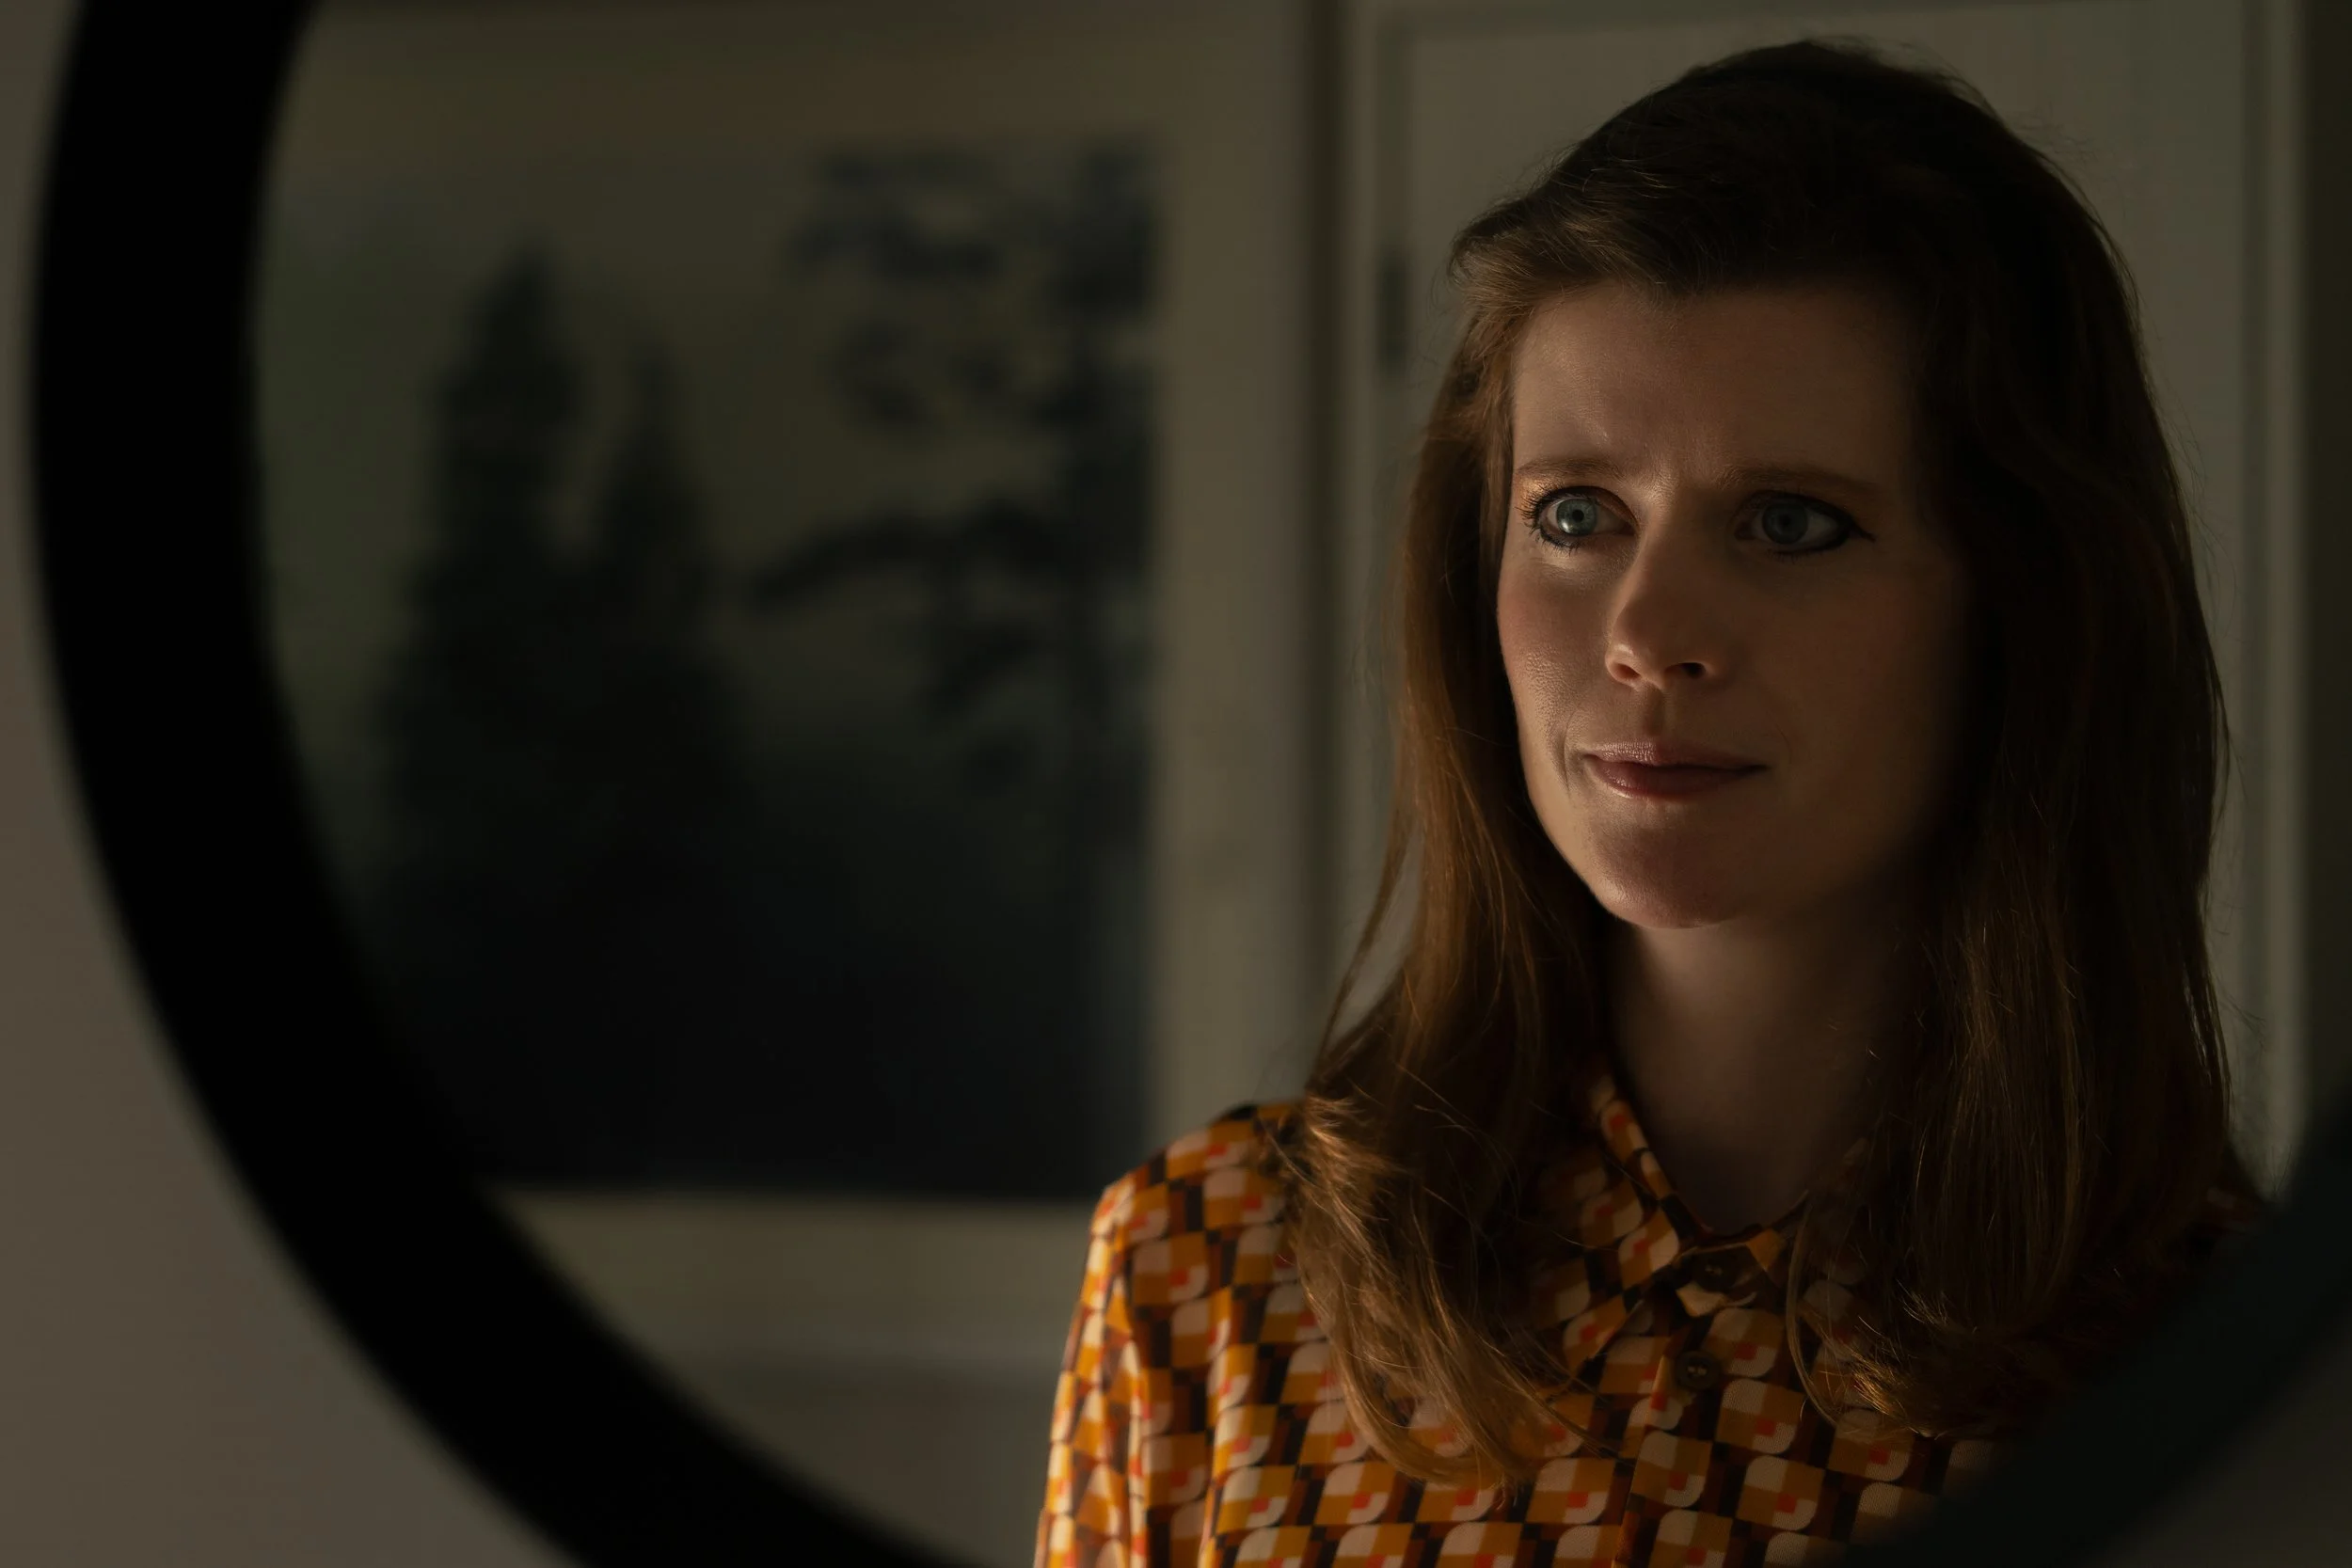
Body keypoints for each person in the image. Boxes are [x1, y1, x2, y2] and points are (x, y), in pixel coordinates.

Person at [1035, 39, 2257, 1567]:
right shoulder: (1208, 1275)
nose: (1648, 629)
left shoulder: (2224, 1364)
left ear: (2021, 605)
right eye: (1575, 515)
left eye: (1790, 523)